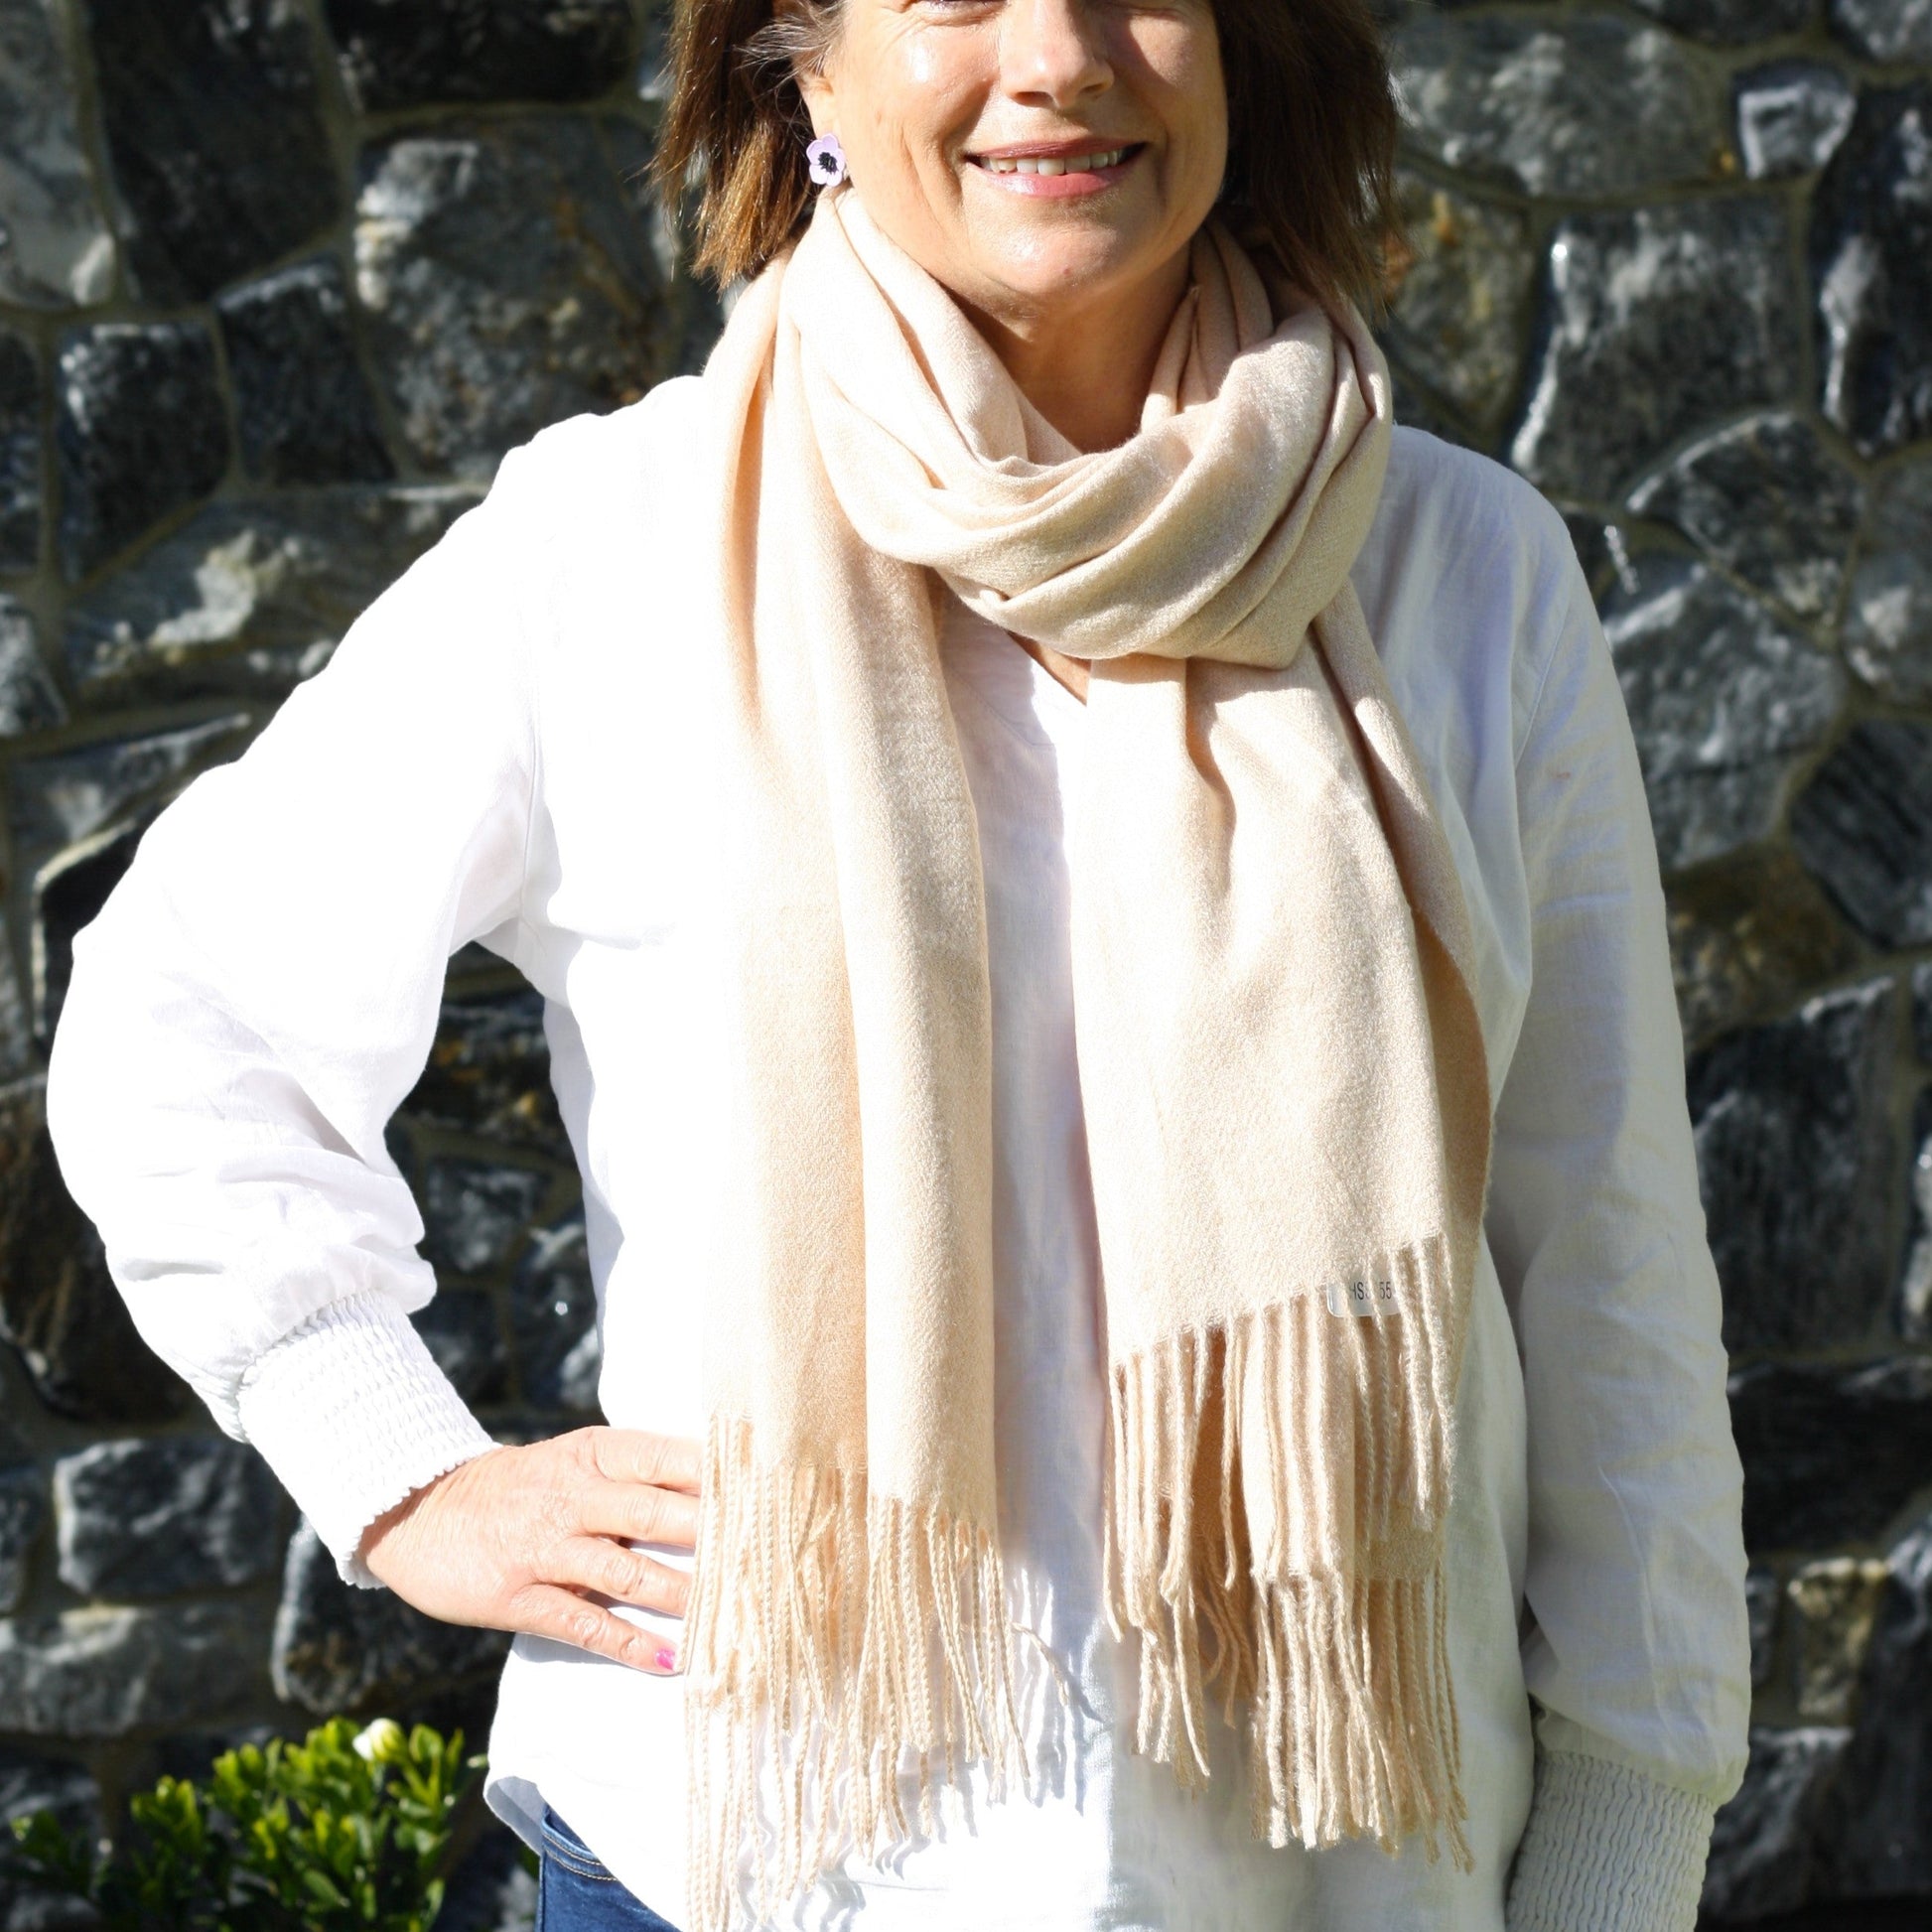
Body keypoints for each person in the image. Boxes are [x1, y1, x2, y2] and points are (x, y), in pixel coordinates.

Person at [45, 0, 1752, 1928]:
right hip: (756, 1862)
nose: (1060, 56)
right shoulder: (616, 544)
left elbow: (1604, 1250)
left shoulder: (1461, 571)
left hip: (1340, 1869)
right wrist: (399, 1466)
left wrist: (1635, 1805)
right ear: (804, 68)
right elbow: (187, 1007)